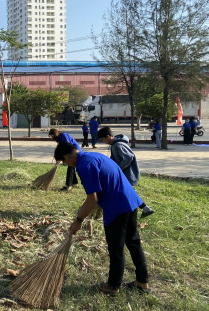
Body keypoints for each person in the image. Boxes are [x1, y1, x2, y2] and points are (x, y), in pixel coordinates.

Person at [55, 142, 150, 295]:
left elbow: (92, 199)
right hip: (131, 201)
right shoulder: (94, 156)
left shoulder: (83, 166)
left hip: (117, 206)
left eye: (65, 162)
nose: (67, 165)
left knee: (116, 247)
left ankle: (112, 286)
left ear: (66, 156)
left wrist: (78, 220)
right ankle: (142, 282)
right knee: (133, 242)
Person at [97, 126, 154, 218]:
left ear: (108, 136)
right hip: (123, 173)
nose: (104, 141)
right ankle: (144, 208)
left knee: (126, 191)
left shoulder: (118, 145)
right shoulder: (114, 145)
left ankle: (137, 209)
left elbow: (128, 157)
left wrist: (118, 169)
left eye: (103, 139)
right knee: (127, 191)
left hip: (128, 173)